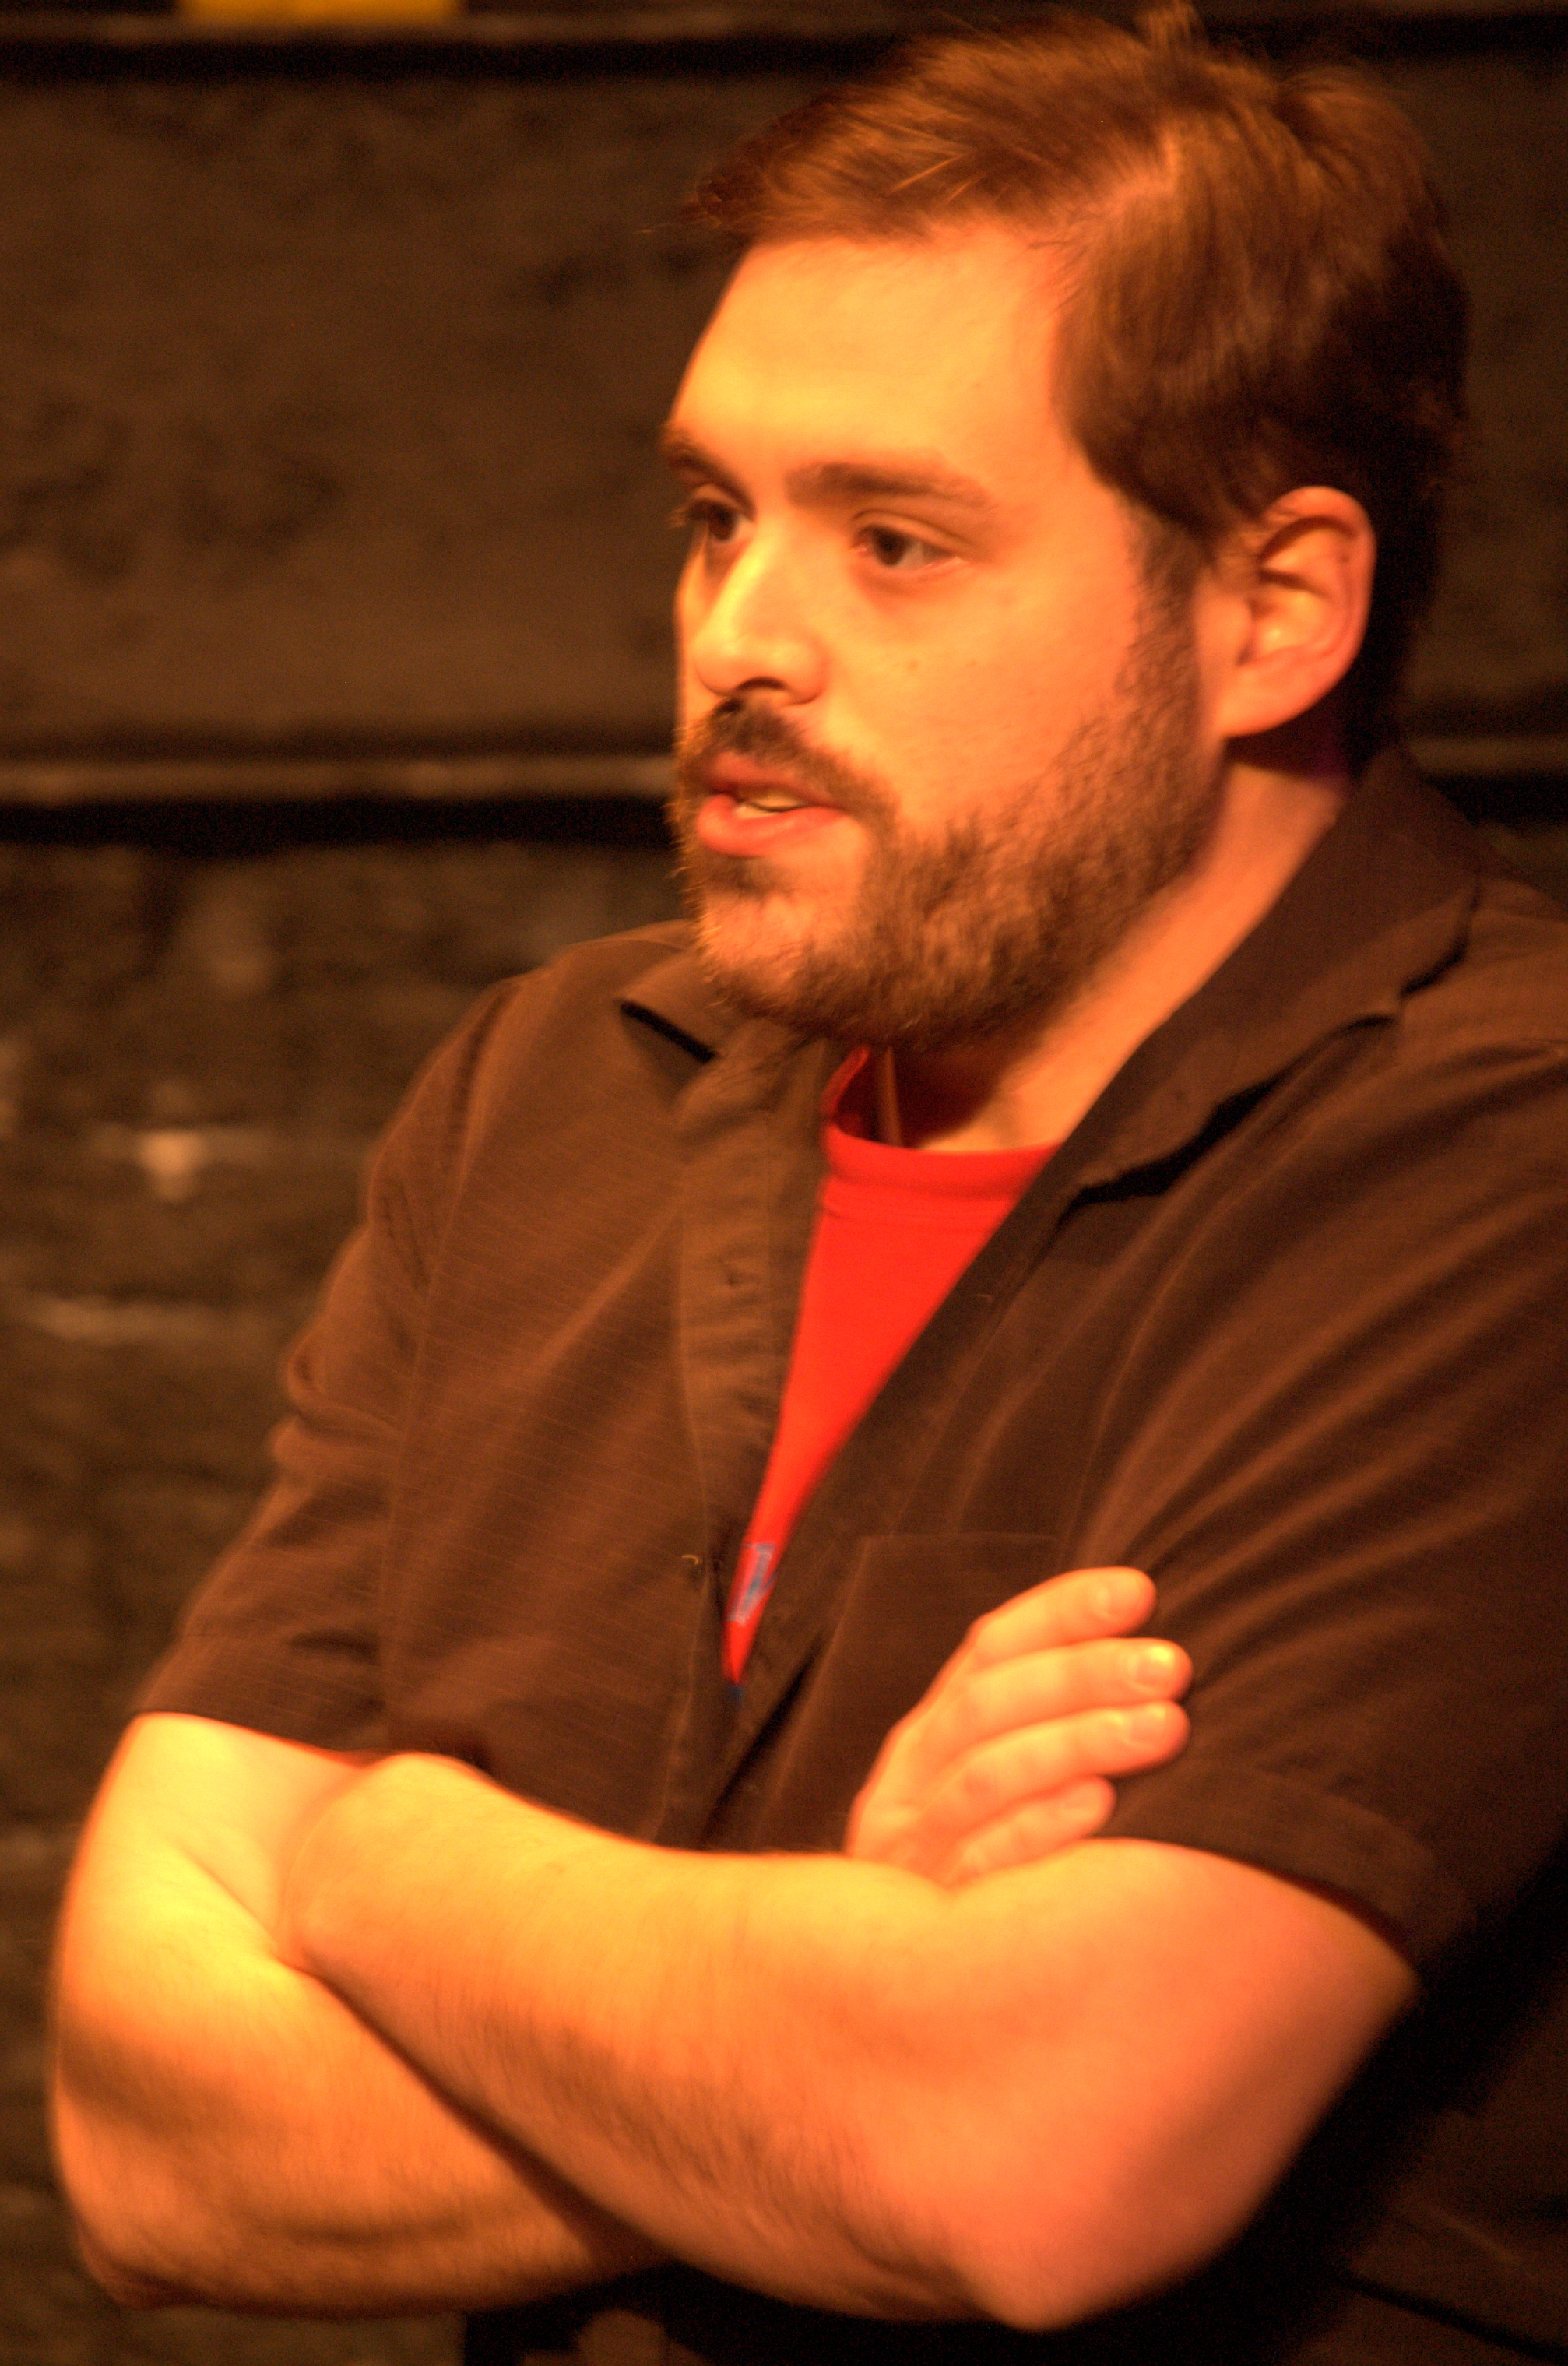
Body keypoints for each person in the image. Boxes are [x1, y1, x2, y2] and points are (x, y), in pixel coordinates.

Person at [50, 10, 1568, 2364]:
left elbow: (1030, 2161)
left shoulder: (1502, 1156)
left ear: (1274, 609)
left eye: (893, 542)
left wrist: (374, 1855)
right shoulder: (553, 1090)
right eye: (714, 518)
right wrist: (828, 1953)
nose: (741, 638)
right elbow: (145, 2134)